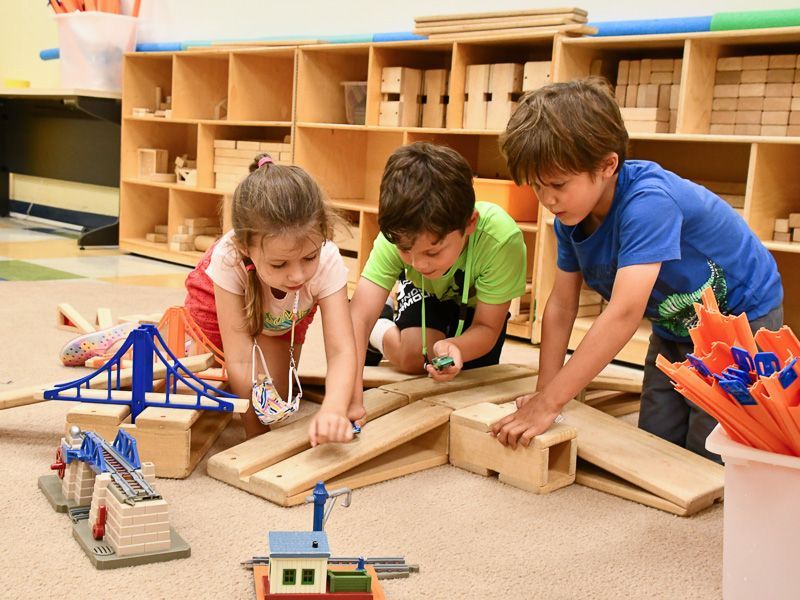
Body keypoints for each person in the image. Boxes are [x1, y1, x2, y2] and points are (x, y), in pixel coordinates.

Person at [491, 77, 783, 461]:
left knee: (708, 453)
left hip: (741, 321)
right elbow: (562, 306)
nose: (547, 200)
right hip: (675, 325)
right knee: (654, 444)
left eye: (558, 184)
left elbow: (625, 312)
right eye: (537, 187)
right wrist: (547, 393)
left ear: (608, 164)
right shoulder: (569, 217)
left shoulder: (648, 204)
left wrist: (548, 404)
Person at [184, 154, 361, 446]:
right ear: (245, 248)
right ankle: (130, 340)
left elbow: (343, 350)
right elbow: (239, 359)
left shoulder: (328, 260)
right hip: (217, 305)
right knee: (192, 394)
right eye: (280, 264)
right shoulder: (228, 257)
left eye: (309, 257)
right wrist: (255, 435)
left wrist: (334, 408)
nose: (297, 275)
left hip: (282, 317)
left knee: (275, 399)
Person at [349, 142, 528, 412]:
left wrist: (456, 347)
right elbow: (357, 318)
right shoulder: (399, 234)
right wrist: (349, 397)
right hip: (427, 293)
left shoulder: (502, 240)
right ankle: (382, 329)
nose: (419, 263)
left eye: (433, 251)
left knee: (473, 377)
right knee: (416, 357)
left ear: (470, 223)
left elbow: (487, 328)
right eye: (405, 250)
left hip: (475, 307)